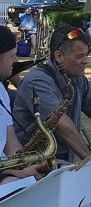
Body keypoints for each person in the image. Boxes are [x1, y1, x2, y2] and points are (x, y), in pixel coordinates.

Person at [13, 25, 91, 162]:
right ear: (59, 56)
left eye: (87, 55)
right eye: (80, 56)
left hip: (63, 160)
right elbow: (61, 125)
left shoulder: (77, 78)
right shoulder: (37, 80)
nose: (86, 61)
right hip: (34, 163)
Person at [0, 26, 45, 184]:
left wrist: (28, 164)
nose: (16, 61)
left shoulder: (1, 90)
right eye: (12, 56)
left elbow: (11, 144)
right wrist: (19, 173)